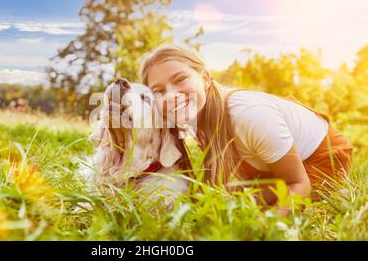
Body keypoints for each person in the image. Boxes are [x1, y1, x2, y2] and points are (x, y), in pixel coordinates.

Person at [139, 44, 353, 216]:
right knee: (215, 196)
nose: (171, 95)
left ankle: (332, 191)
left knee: (228, 204)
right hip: (271, 164)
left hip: (322, 160)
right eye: (158, 91)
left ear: (204, 79)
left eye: (180, 79)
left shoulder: (247, 115)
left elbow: (298, 182)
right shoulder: (191, 117)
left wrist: (267, 229)